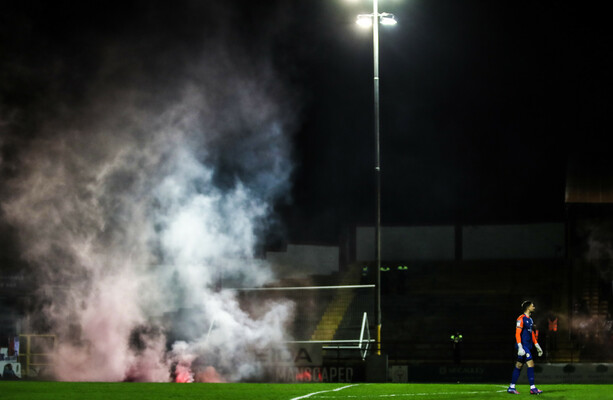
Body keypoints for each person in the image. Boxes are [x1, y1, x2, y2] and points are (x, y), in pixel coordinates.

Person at [507, 301, 543, 395]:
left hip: (528, 346)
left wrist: (537, 346)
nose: (534, 307)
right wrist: (520, 347)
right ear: (528, 308)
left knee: (518, 365)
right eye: (532, 306)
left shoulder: (530, 320)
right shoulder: (521, 318)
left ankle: (511, 387)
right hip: (523, 346)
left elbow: (532, 334)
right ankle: (533, 388)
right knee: (531, 364)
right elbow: (517, 333)